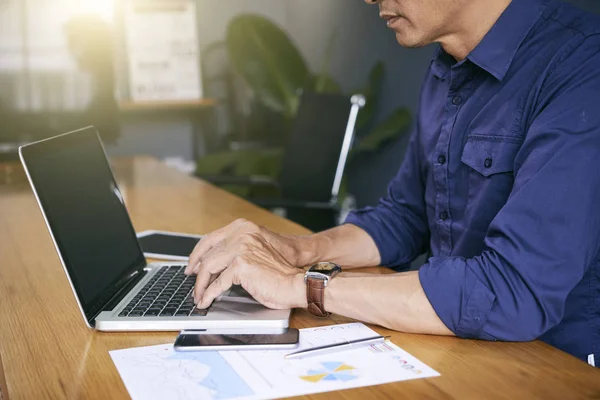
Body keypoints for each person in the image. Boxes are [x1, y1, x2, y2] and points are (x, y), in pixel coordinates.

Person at [185, 0, 600, 365]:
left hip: (554, 365)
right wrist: (295, 250)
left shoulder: (581, 66)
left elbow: (513, 292)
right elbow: (405, 216)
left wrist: (302, 285)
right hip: (460, 350)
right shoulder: (447, 67)